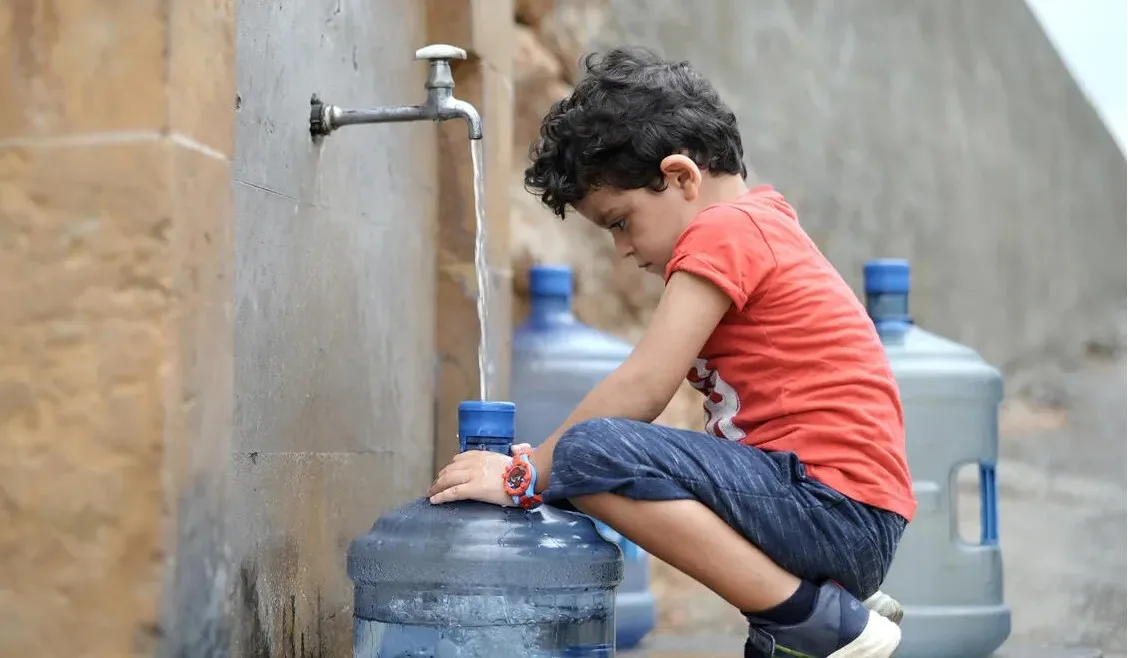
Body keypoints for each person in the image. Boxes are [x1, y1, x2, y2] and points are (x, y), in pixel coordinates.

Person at [427, 46, 915, 658]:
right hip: (837, 512)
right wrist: (548, 465)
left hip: (830, 507)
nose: (621, 250)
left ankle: (810, 618)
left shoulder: (725, 229)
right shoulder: (757, 224)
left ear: (682, 177)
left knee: (591, 452)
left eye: (620, 222)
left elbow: (644, 387)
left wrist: (525, 476)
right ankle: (813, 613)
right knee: (583, 460)